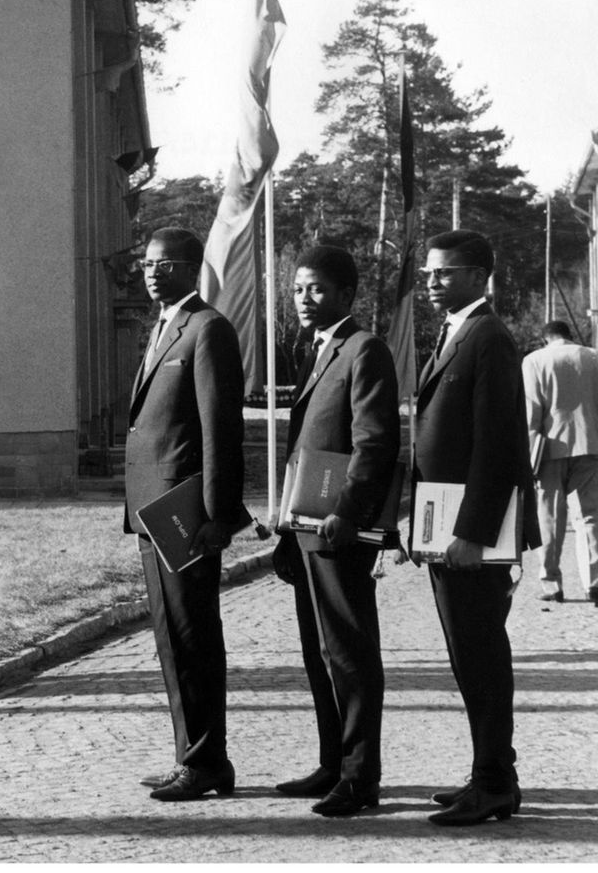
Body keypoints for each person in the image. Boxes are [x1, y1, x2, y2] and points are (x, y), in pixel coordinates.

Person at [410, 229, 539, 827]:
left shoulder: (488, 337)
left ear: (479, 274)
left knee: (482, 655)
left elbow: (496, 447)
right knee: (469, 656)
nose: (433, 282)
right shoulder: (455, 332)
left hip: (470, 538)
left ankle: (493, 785)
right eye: (429, 273)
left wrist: (472, 534)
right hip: (445, 530)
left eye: (445, 273)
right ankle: (489, 774)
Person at [272, 245, 400, 818]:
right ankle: (331, 763)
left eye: (318, 289)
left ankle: (359, 778)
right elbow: (307, 448)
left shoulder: (364, 349)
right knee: (319, 652)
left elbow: (374, 442)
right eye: (299, 288)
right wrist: (284, 532)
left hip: (338, 530)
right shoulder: (317, 350)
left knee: (349, 654)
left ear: (347, 294)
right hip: (305, 529)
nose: (305, 298)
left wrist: (348, 513)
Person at [123, 226, 246, 802]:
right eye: (146, 263)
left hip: (186, 514)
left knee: (194, 634)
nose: (151, 272)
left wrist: (218, 515)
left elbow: (220, 429)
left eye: (164, 263)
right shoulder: (165, 327)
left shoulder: (208, 329)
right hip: (153, 511)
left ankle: (206, 761)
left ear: (193, 267)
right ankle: (192, 756)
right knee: (171, 638)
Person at [522, 321, 598, 609]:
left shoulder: (534, 360)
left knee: (549, 517)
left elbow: (531, 411)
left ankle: (552, 584)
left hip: (548, 448)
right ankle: (593, 585)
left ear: (544, 338)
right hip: (589, 445)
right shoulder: (594, 357)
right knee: (589, 516)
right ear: (569, 336)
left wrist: (529, 452)